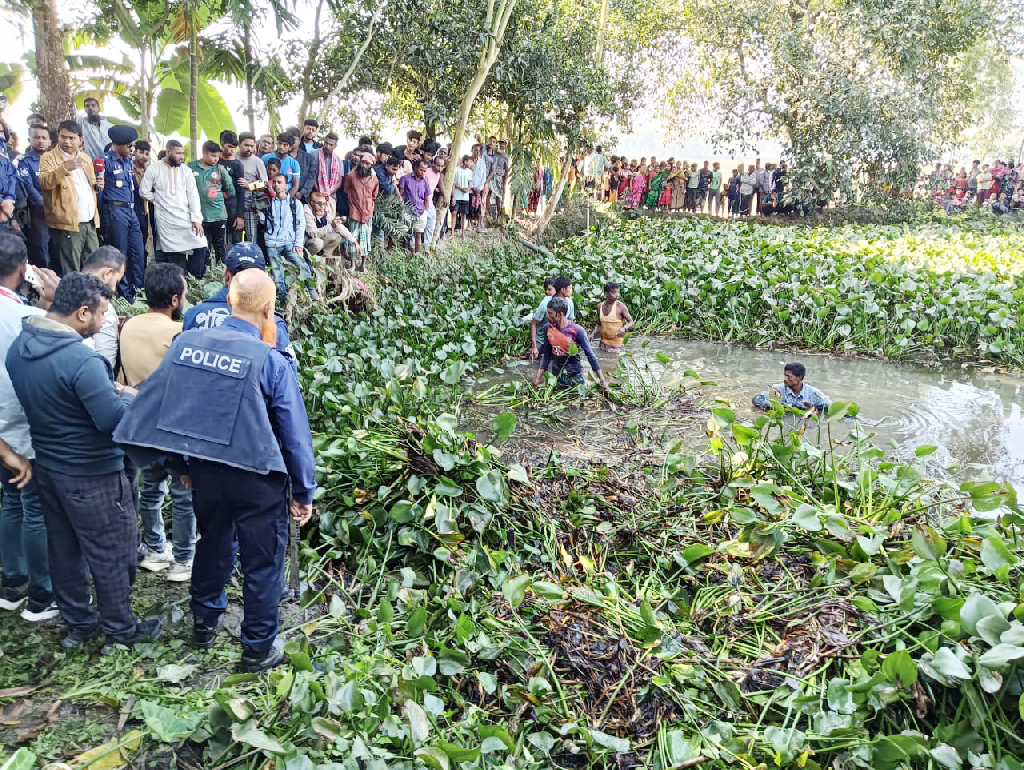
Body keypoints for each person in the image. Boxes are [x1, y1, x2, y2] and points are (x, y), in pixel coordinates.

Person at [114, 269, 315, 672]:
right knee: (262, 562)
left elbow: (165, 408)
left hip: (205, 472)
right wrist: (302, 492)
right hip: (258, 476)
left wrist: (178, 464)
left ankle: (204, 623)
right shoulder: (270, 361)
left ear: (228, 302)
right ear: (269, 310)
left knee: (213, 542)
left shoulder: (187, 345)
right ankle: (257, 648)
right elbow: (294, 435)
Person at [8, 272, 162, 649]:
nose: (104, 320)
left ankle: (78, 624)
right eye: (102, 313)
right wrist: (129, 397)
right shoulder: (82, 361)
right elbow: (112, 421)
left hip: (48, 466)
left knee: (64, 551)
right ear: (82, 313)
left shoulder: (20, 346)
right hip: (93, 473)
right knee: (113, 552)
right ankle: (120, 631)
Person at [119, 263, 196, 581]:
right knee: (183, 493)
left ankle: (154, 549)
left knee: (150, 489)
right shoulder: (179, 333)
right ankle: (183, 558)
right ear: (175, 299)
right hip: (174, 423)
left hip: (141, 421)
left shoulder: (127, 326)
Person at [0, 233, 59, 622]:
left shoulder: (22, 311)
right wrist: (52, 302)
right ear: (24, 269)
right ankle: (42, 595)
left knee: (10, 499)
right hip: (24, 422)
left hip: (2, 430)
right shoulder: (24, 317)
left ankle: (13, 582)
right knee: (35, 507)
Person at [183, 242, 294, 362]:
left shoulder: (194, 315)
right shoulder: (272, 322)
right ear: (265, 276)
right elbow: (286, 368)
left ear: (226, 274)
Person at [38, 121, 101, 275]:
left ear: (80, 139)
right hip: (68, 223)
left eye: (72, 138)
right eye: (63, 137)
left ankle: (91, 292)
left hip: (90, 221)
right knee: (72, 270)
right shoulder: (49, 158)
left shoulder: (86, 158)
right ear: (58, 137)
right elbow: (44, 182)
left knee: (94, 266)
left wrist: (98, 185)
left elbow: (90, 187)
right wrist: (65, 167)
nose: (67, 141)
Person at [140, 140, 207, 274]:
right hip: (166, 219)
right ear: (168, 152)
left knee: (200, 245)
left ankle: (195, 278)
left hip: (185, 217)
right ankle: (180, 281)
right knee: (174, 253)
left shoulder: (186, 170)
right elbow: (143, 191)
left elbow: (193, 195)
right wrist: (158, 200)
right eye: (178, 153)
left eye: (182, 153)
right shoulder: (154, 169)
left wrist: (196, 219)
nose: (182, 157)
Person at [99, 125, 145, 301]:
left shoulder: (127, 162)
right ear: (117, 144)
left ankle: (138, 291)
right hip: (115, 210)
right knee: (120, 254)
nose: (132, 149)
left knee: (138, 252)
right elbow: (100, 192)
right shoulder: (105, 161)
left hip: (131, 210)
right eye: (129, 145)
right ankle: (125, 296)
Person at [532, 296, 608, 391]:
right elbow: (547, 356)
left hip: (575, 376)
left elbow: (590, 355)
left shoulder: (577, 330)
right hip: (556, 377)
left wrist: (602, 380)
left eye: (550, 313)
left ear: (559, 314)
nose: (547, 316)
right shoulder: (547, 328)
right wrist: (538, 378)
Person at [189, 140, 237, 275]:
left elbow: (231, 190)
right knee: (204, 248)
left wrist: (219, 194)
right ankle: (205, 276)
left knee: (221, 247)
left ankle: (223, 274)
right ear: (204, 153)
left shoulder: (220, 169)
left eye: (217, 156)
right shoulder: (190, 168)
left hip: (218, 215)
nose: (216, 159)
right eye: (212, 156)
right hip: (200, 217)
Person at [264, 173, 314, 299]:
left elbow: (301, 224)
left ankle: (312, 290)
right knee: (277, 276)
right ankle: (282, 301)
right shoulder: (268, 203)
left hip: (289, 242)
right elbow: (265, 222)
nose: (276, 185)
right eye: (274, 182)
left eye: (279, 182)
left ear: (286, 186)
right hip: (272, 243)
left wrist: (298, 244)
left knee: (303, 266)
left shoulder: (295, 203)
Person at [81, 246, 126, 370]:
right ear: (107, 274)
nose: (114, 289)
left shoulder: (63, 293)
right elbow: (105, 364)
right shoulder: (103, 310)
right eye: (117, 281)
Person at [14, 124, 52, 267]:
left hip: (59, 213)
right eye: (36, 137)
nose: (41, 141)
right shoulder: (23, 161)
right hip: (38, 212)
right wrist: (49, 206)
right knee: (42, 251)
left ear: (49, 141)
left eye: (44, 138)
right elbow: (30, 189)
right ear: (29, 139)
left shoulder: (55, 160)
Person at [342, 150, 378, 270]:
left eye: (367, 164)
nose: (364, 165)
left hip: (368, 213)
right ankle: (352, 265)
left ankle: (363, 265)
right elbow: (346, 190)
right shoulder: (351, 176)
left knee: (366, 240)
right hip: (355, 212)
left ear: (371, 166)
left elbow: (374, 195)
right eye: (363, 162)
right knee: (353, 238)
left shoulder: (374, 179)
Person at [753, 362, 832, 413]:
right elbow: (756, 399)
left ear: (800, 377)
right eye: (785, 375)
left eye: (789, 376)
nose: (785, 379)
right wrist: (772, 406)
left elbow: (831, 407)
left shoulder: (813, 393)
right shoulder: (777, 389)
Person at [529, 276, 575, 360]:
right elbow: (533, 323)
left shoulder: (570, 303)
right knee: (533, 357)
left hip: (559, 338)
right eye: (570, 288)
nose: (571, 290)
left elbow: (570, 324)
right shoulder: (545, 303)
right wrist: (534, 347)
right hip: (542, 339)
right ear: (563, 290)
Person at [305, 189, 359, 258]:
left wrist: (354, 242)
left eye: (324, 204)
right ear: (312, 203)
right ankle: (309, 257)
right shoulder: (307, 211)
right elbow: (312, 233)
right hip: (308, 241)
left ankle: (325, 255)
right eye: (319, 203)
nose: (322, 206)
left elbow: (338, 226)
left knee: (338, 236)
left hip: (319, 237)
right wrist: (330, 227)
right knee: (318, 243)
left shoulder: (323, 210)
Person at [236, 133, 268, 244]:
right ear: (239, 144)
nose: (249, 148)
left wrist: (249, 185)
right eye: (246, 145)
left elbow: (265, 184)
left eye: (252, 146)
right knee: (234, 239)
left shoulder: (258, 162)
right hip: (233, 205)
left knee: (252, 239)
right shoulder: (233, 158)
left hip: (249, 205)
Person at [217, 131, 246, 246]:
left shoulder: (238, 165)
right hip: (217, 206)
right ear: (222, 144)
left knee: (236, 242)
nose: (231, 150)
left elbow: (241, 191)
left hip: (233, 206)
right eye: (229, 146)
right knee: (220, 242)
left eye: (234, 147)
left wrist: (240, 216)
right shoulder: (215, 162)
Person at [591, 282, 634, 352]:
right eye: (614, 292)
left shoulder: (620, 306)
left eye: (618, 292)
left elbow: (631, 322)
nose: (617, 295)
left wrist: (624, 328)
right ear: (606, 294)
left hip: (617, 347)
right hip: (603, 345)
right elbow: (599, 324)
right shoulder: (599, 307)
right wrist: (592, 334)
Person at [399, 159, 431, 253]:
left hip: (420, 212)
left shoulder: (425, 182)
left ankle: (417, 256)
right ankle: (403, 254)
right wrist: (402, 210)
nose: (423, 172)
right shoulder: (405, 179)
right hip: (407, 211)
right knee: (405, 234)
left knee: (418, 235)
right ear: (415, 168)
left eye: (425, 170)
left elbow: (426, 199)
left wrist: (425, 212)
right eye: (421, 169)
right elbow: (400, 195)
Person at [452, 155, 473, 236]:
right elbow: (453, 184)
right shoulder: (456, 170)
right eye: (470, 161)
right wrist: (454, 195)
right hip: (457, 195)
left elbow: (470, 182)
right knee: (454, 212)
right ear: (465, 161)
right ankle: (452, 232)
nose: (471, 163)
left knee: (464, 214)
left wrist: (468, 188)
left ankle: (463, 233)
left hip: (465, 197)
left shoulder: (469, 172)